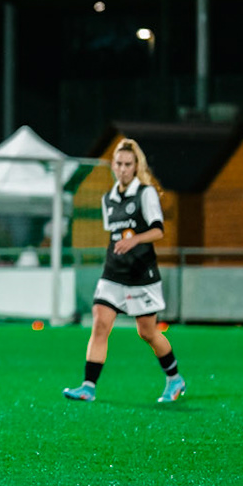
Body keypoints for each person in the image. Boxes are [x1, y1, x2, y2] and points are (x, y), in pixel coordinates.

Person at [64, 138, 186, 403]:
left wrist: (135, 240)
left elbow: (158, 230)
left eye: (128, 164)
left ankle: (174, 379)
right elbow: (115, 235)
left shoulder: (146, 193)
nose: (122, 169)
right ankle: (88, 387)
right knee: (100, 323)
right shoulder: (107, 199)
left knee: (147, 332)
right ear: (113, 165)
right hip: (113, 272)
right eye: (118, 164)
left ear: (136, 166)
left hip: (141, 273)